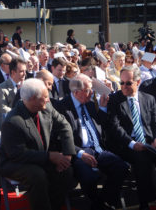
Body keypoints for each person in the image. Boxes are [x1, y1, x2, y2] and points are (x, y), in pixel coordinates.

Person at [107, 65, 156, 210]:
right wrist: (132, 144)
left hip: (149, 141)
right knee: (142, 159)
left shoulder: (148, 98)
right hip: (127, 144)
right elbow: (115, 127)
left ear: (138, 82)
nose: (124, 86)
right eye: (121, 83)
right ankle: (144, 203)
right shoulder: (114, 99)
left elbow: (155, 123)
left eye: (128, 83)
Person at [0, 78, 75, 210]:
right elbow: (18, 154)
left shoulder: (46, 108)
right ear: (33, 98)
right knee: (37, 175)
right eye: (45, 97)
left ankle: (53, 205)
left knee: (66, 170)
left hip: (40, 155)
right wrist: (49, 157)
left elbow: (64, 125)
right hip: (15, 162)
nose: (48, 100)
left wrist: (68, 154)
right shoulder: (13, 121)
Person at [58, 74, 129, 210]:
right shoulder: (62, 108)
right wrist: (80, 154)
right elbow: (61, 138)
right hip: (79, 151)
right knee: (89, 177)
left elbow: (100, 126)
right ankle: (101, 204)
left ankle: (100, 204)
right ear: (76, 92)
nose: (92, 93)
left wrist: (102, 108)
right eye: (88, 90)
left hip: (98, 149)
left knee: (122, 168)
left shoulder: (90, 104)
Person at [0, 58, 26, 129]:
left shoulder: (27, 85)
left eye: (25, 71)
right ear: (13, 72)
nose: (25, 74)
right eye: (21, 71)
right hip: (9, 122)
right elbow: (3, 108)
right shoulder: (2, 87)